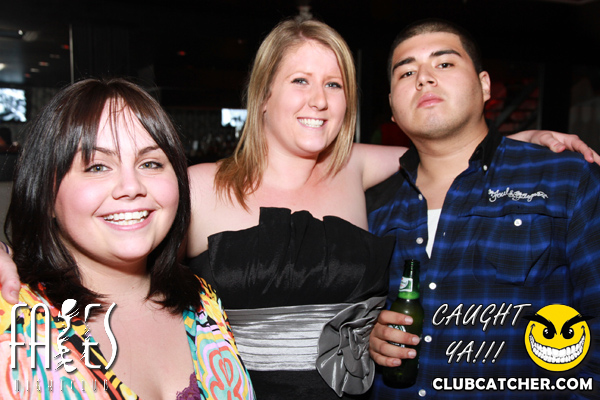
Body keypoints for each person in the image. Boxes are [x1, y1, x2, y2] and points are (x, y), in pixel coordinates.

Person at [0, 19, 596, 400]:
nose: (319, 100)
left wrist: (523, 142)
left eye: (335, 85)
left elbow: (446, 147)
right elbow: (98, 223)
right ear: (262, 96)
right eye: (300, 82)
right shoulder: (198, 185)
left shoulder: (357, 169)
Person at [367, 19, 600, 399]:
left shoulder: (564, 179)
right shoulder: (373, 208)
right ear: (392, 107)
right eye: (406, 72)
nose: (424, 78)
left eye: (444, 63)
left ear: (485, 85)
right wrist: (370, 338)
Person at [0, 78, 255, 399]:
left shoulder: (203, 302)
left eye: (150, 163)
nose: (131, 187)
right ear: (47, 194)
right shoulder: (13, 317)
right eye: (97, 167)